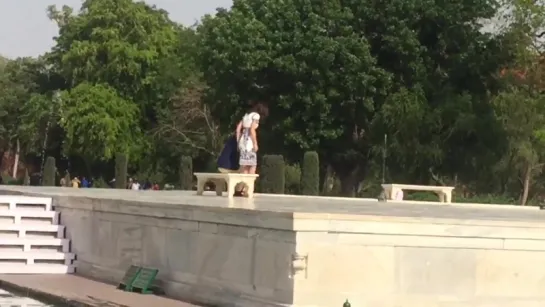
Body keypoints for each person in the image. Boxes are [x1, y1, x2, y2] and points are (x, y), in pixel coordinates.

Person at [236, 101, 268, 175]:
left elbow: (238, 129)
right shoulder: (256, 116)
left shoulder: (246, 115)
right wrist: (255, 143)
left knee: (244, 167)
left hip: (242, 141)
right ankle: (250, 186)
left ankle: (243, 186)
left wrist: (238, 143)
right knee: (252, 165)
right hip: (249, 142)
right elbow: (252, 129)